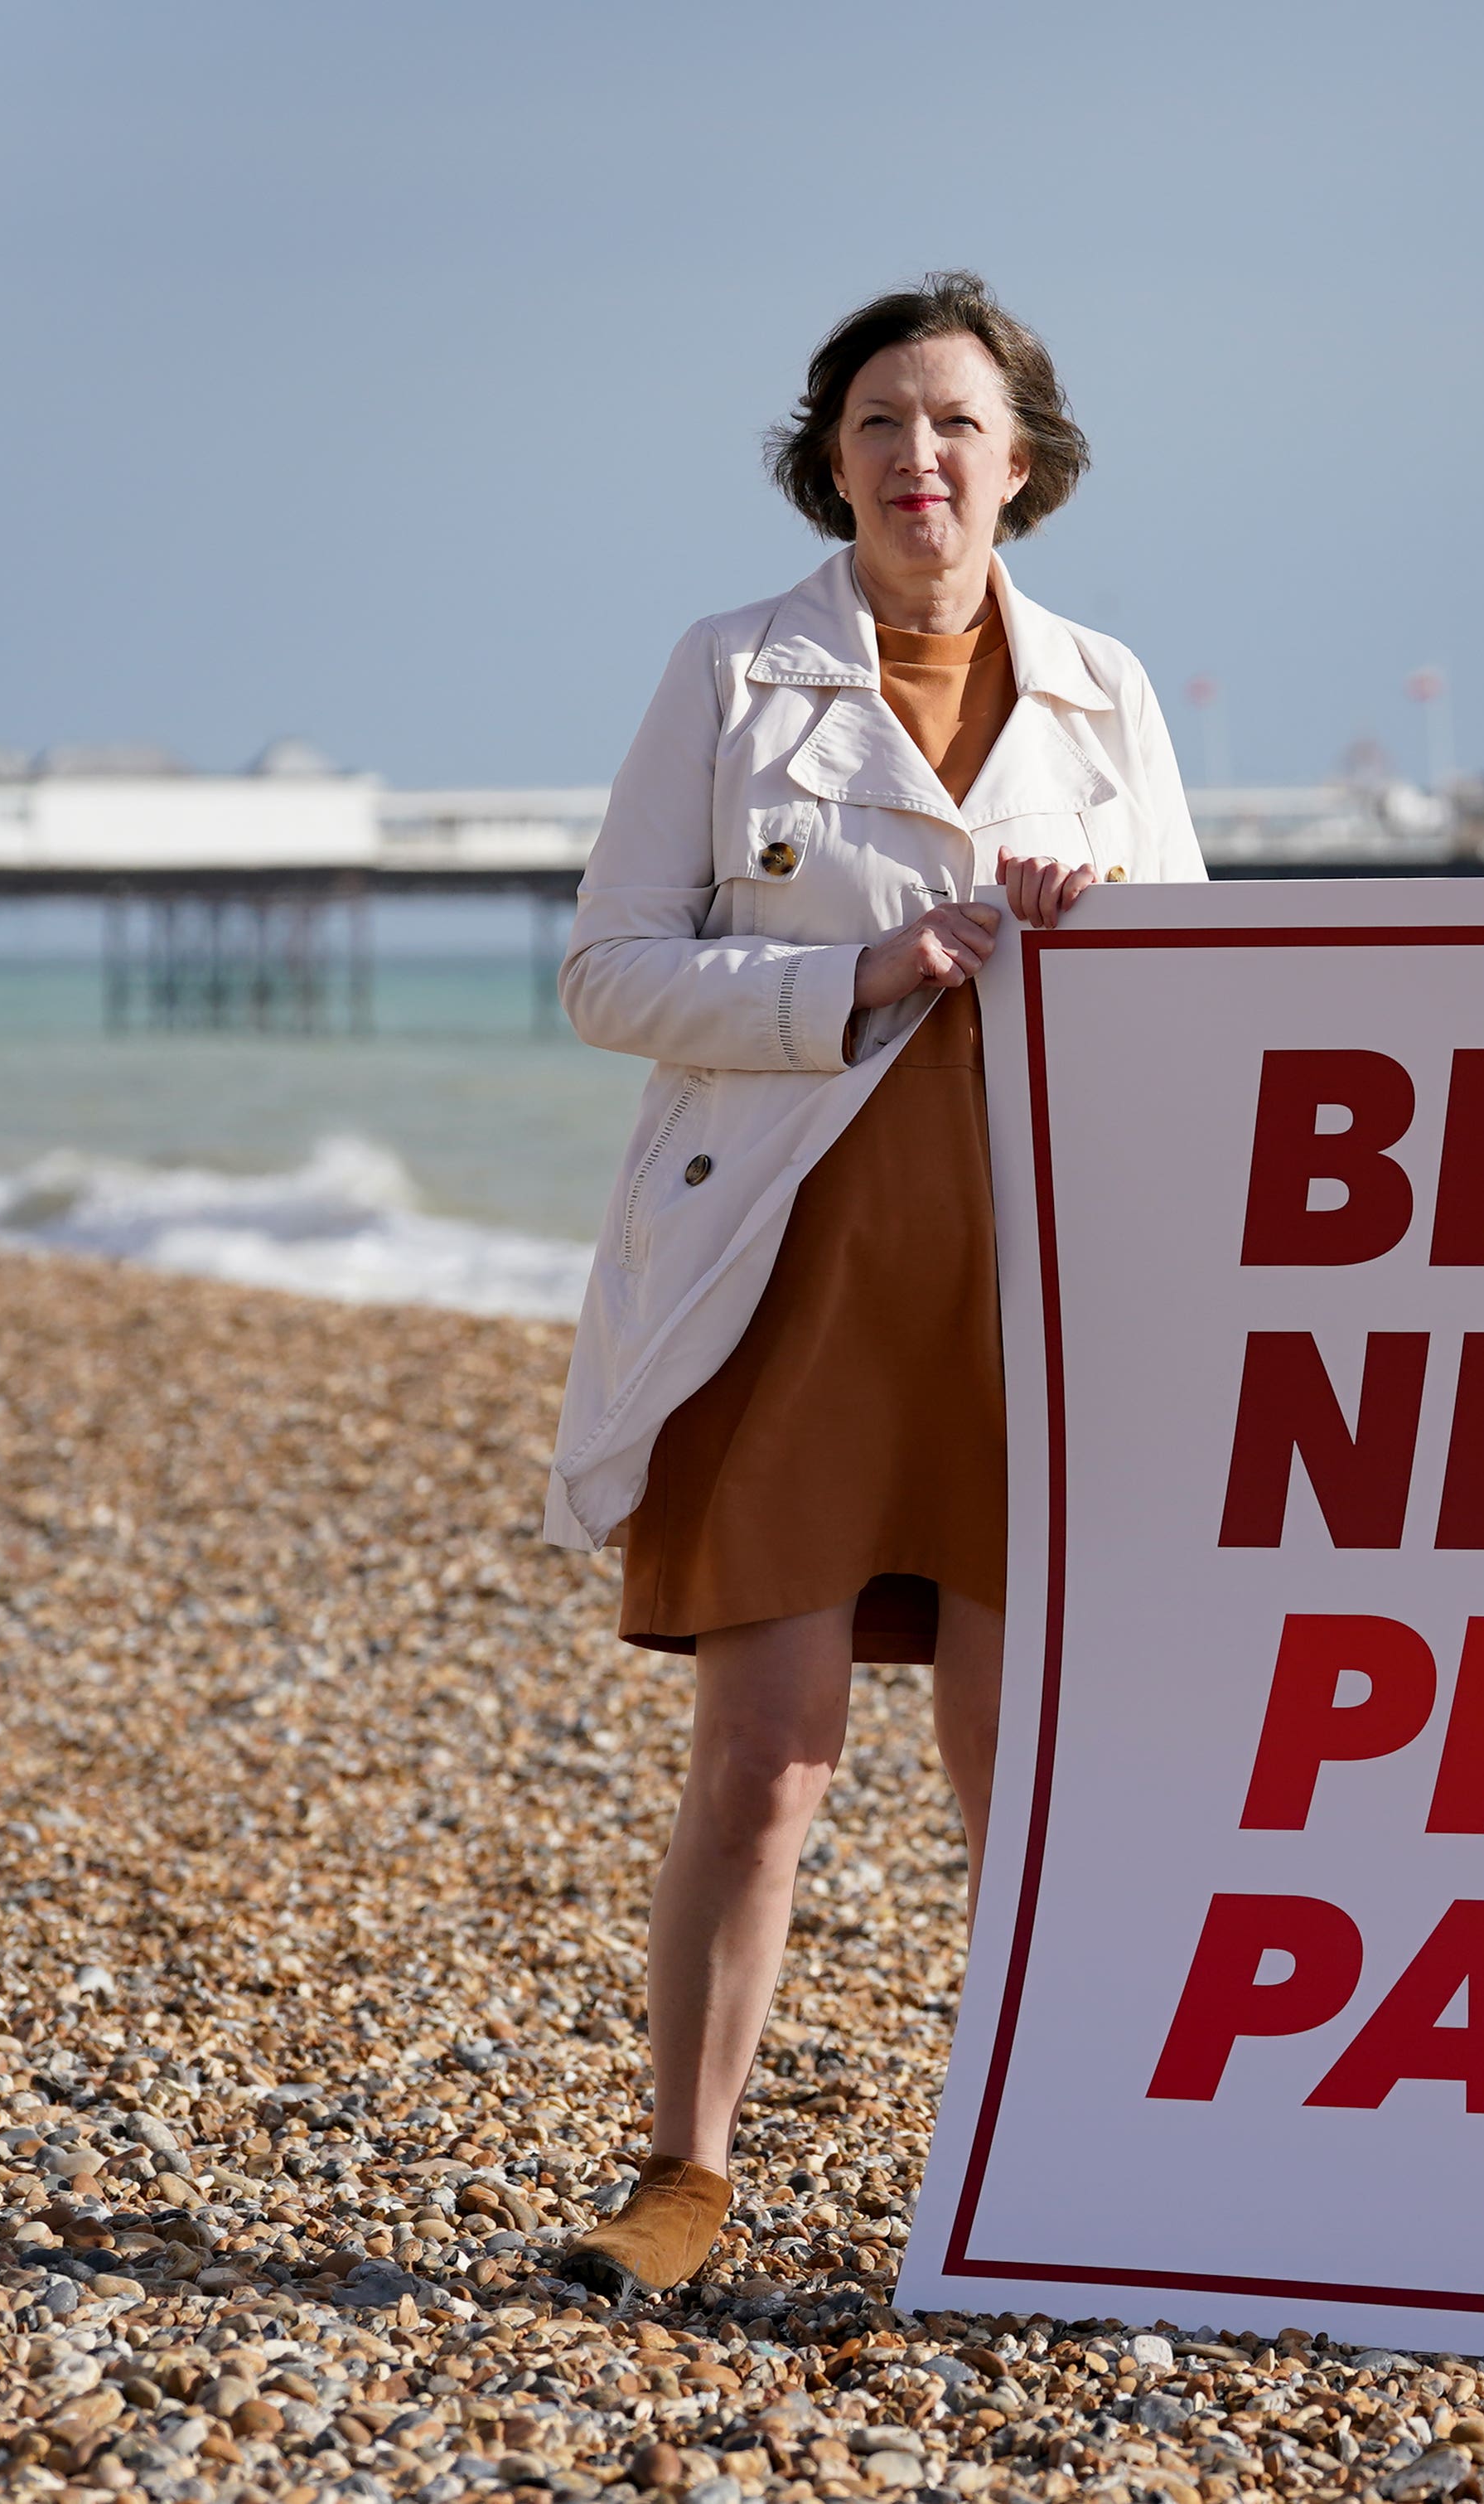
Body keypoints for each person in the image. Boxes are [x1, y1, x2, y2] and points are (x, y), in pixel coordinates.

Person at [537, 271, 1206, 2297]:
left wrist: (1102, 945)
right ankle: (681, 2176)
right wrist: (862, 971)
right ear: (829, 460)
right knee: (769, 1753)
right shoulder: (733, 672)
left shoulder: (1109, 688)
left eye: (954, 425)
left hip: (1034, 1296)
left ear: (1027, 463)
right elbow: (605, 972)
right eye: (879, 424)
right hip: (787, 1281)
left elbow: (1206, 1005)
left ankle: (1065, 2171)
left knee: (1028, 1771)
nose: (918, 457)